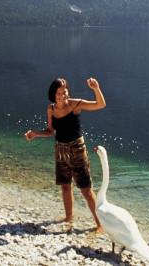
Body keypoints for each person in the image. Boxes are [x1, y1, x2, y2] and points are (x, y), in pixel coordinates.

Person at [24, 78, 106, 233]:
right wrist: (35, 134)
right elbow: (50, 131)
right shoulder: (51, 109)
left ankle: (100, 224)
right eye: (59, 93)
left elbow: (100, 105)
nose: (62, 95)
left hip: (77, 148)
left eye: (64, 92)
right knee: (65, 186)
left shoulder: (75, 104)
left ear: (68, 91)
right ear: (53, 95)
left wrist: (96, 88)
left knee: (86, 189)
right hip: (60, 149)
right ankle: (69, 218)